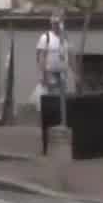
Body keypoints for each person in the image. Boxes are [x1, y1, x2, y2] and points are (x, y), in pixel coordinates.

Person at [36, 13, 69, 154]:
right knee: (50, 103)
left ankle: (60, 126)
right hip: (50, 74)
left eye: (59, 23)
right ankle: (47, 130)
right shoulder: (46, 37)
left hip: (61, 74)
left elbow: (68, 54)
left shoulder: (64, 38)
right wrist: (43, 75)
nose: (57, 25)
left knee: (61, 102)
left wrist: (72, 71)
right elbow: (41, 57)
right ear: (51, 24)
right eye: (55, 23)